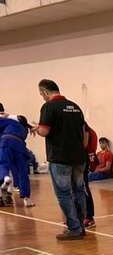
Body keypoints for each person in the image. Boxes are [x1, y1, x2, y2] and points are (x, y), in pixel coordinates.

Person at [35, 79, 88, 240]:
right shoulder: (75, 107)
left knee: (64, 193)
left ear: (45, 92)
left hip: (60, 157)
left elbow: (44, 131)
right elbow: (85, 132)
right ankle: (81, 225)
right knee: (79, 190)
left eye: (41, 94)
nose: (42, 97)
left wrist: (36, 128)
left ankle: (74, 228)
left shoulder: (49, 107)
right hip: (79, 157)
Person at [0, 115, 35, 207]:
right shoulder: (24, 129)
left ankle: (5, 177)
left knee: (3, 164)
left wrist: (4, 116)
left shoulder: (10, 122)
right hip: (20, 147)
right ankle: (26, 199)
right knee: (22, 172)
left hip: (6, 143)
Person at [82, 122, 99, 228]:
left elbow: (86, 146)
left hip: (83, 162)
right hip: (81, 161)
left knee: (84, 188)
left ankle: (89, 217)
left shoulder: (86, 130)